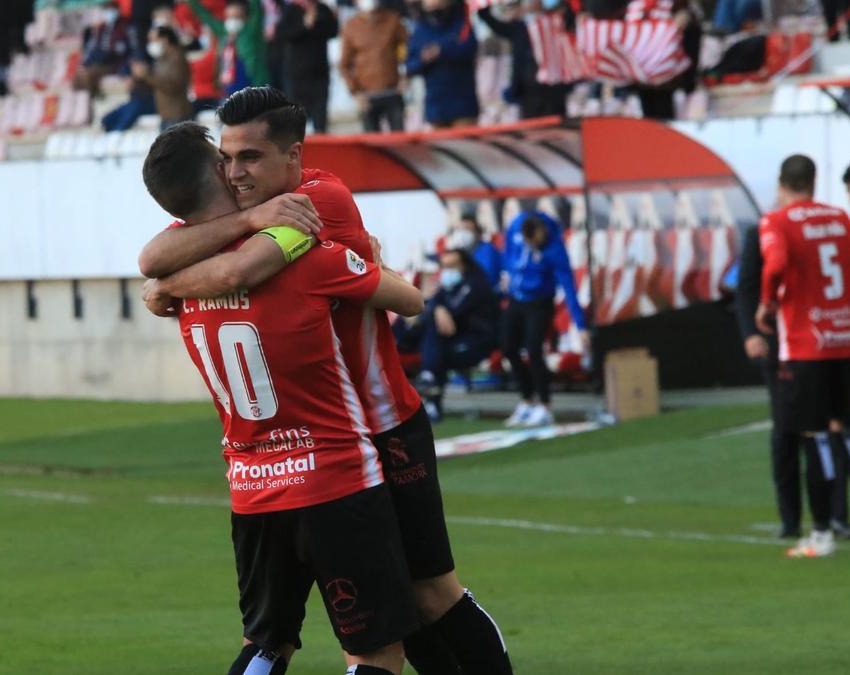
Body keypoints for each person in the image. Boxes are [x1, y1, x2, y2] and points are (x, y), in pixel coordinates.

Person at [139, 87, 513, 675]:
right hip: (328, 449)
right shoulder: (249, 216)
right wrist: (187, 261)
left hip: (382, 426)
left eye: (251, 158)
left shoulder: (317, 199)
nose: (236, 173)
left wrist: (168, 286)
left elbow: (237, 267)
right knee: (380, 626)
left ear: (294, 158)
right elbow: (156, 254)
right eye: (228, 158)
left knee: (427, 595)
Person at [756, 154, 850, 558]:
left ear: (783, 184)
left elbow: (776, 262)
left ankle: (820, 534)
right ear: (814, 182)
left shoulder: (777, 222)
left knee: (814, 436)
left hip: (806, 344)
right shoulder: (842, 220)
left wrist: (767, 303)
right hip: (847, 338)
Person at [735, 224, 804, 539]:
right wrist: (751, 331)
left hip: (810, 342)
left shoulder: (777, 229)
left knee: (822, 432)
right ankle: (794, 519)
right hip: (787, 343)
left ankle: (832, 517)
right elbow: (747, 285)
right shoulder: (764, 232)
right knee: (796, 430)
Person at [501, 212, 586, 428]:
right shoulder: (516, 228)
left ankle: (546, 406)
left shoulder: (555, 249)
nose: (533, 246)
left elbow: (568, 286)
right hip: (516, 299)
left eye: (536, 241)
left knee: (534, 349)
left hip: (539, 303)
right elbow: (508, 256)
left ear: (542, 233)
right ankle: (527, 401)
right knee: (508, 348)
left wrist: (580, 323)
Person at [410, 247, 501, 422]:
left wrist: (437, 309)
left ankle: (431, 398)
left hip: (481, 343)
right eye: (444, 266)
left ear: (464, 265)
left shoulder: (476, 284)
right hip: (458, 341)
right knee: (434, 343)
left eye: (452, 265)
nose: (447, 270)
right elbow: (433, 303)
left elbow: (454, 311)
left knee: (436, 354)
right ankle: (431, 399)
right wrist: (437, 308)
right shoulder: (449, 286)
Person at [477, 0, 571, 119]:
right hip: (528, 91)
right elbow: (493, 23)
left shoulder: (557, 23)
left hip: (555, 88)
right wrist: (483, 6)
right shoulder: (520, 28)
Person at [406, 0, 479, 129]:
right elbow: (411, 65)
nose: (434, 6)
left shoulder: (461, 24)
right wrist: (424, 59)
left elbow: (469, 48)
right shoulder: (420, 30)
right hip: (436, 107)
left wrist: (441, 51)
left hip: (463, 105)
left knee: (463, 147)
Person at [340, 0, 410, 133]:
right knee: (372, 147)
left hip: (393, 93)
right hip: (367, 97)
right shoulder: (351, 26)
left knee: (399, 143)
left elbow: (410, 48)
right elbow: (344, 65)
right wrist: (356, 93)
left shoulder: (393, 20)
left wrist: (406, 76)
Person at [276, 0, 338, 134]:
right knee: (294, 124)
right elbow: (282, 34)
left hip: (319, 74)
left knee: (320, 123)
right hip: (296, 75)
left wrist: (319, 22)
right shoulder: (291, 10)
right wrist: (304, 25)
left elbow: (333, 31)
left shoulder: (322, 9)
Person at [188, 0, 271, 96]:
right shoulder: (223, 32)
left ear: (246, 18)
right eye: (229, 17)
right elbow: (204, 15)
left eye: (237, 17)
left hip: (254, 89)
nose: (232, 21)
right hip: (229, 91)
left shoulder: (251, 32)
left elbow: (257, 10)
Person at [135, 26, 193, 130]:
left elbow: (173, 86)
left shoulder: (177, 58)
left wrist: (147, 75)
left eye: (153, 40)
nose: (151, 44)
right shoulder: (161, 59)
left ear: (165, 40)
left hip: (177, 116)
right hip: (166, 115)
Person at [73, 2, 135, 98]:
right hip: (99, 61)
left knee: (90, 74)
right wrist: (84, 64)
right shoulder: (101, 28)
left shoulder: (125, 26)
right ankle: (80, 104)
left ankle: (92, 100)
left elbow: (130, 48)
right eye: (106, 11)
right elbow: (92, 47)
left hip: (115, 63)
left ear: (118, 11)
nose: (108, 14)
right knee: (77, 76)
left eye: (111, 11)